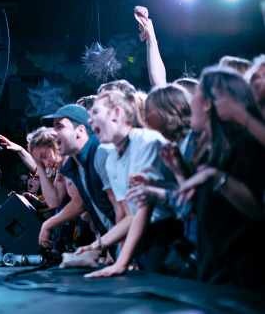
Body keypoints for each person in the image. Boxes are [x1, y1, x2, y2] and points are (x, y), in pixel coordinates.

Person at [175, 66, 265, 291]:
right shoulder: (211, 151)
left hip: (242, 281)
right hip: (214, 275)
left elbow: (258, 208)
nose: (190, 102)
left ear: (208, 103)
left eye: (195, 93)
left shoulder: (245, 144)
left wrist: (217, 177)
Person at [78, 90, 182, 277]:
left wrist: (122, 262)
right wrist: (95, 246)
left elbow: (144, 208)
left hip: (170, 232)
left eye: (95, 113)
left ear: (116, 113)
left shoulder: (148, 142)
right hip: (143, 232)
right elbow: (129, 215)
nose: (89, 121)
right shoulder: (110, 159)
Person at [40, 104, 122, 257]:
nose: (53, 133)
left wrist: (121, 257)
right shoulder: (76, 166)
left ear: (80, 131)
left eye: (60, 127)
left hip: (141, 247)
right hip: (117, 246)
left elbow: (124, 214)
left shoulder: (102, 153)